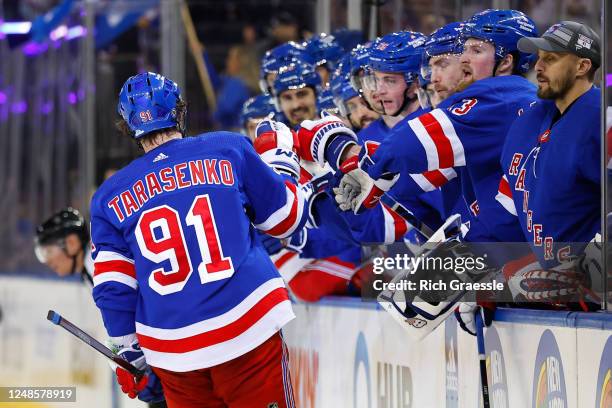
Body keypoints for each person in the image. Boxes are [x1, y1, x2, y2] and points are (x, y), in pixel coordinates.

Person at [91, 72, 309, 407]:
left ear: (127, 125)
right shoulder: (228, 148)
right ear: (178, 110)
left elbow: (114, 287)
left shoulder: (109, 196)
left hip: (175, 351)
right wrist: (280, 162)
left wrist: (126, 350)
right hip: (247, 328)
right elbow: (286, 220)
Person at [494, 21, 602, 310]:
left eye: (551, 59)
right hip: (552, 294)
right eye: (539, 58)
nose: (539, 66)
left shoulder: (601, 120)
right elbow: (506, 212)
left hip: (597, 302)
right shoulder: (526, 123)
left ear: (582, 66)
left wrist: (597, 260)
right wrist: (485, 277)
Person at [35, 207, 93, 285]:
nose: (48, 262)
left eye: (49, 251)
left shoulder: (98, 269)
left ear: (72, 243)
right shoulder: (88, 271)